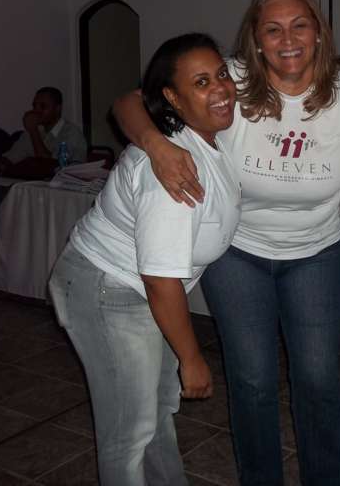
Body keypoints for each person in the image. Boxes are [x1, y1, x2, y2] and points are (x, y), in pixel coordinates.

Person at [113, 0, 340, 485]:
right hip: (238, 253)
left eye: (300, 25)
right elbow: (129, 101)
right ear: (256, 40)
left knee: (318, 378)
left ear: (319, 32)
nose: (288, 39)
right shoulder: (231, 80)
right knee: (252, 380)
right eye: (273, 29)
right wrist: (156, 144)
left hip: (316, 254)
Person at [48, 34, 240, 486]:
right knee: (129, 432)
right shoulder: (170, 174)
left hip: (138, 291)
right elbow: (159, 279)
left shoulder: (203, 137)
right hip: (109, 289)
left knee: (154, 413)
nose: (220, 88)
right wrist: (191, 357)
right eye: (201, 82)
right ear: (172, 98)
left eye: (221, 75)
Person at [3, 87, 87, 166]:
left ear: (57, 109)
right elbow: (10, 157)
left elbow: (50, 166)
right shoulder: (34, 130)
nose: (36, 111)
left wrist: (34, 131)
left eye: (43, 106)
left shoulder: (71, 133)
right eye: (34, 106)